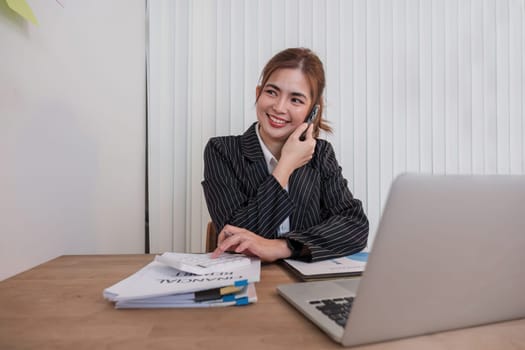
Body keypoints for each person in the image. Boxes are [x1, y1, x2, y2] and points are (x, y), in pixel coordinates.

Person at [202, 47, 368, 263]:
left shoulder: (321, 155)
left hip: (303, 283)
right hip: (250, 280)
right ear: (258, 93)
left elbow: (355, 226)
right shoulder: (222, 151)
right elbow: (238, 239)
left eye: (296, 100)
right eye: (272, 92)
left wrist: (282, 246)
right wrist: (286, 165)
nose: (279, 107)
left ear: (312, 111)